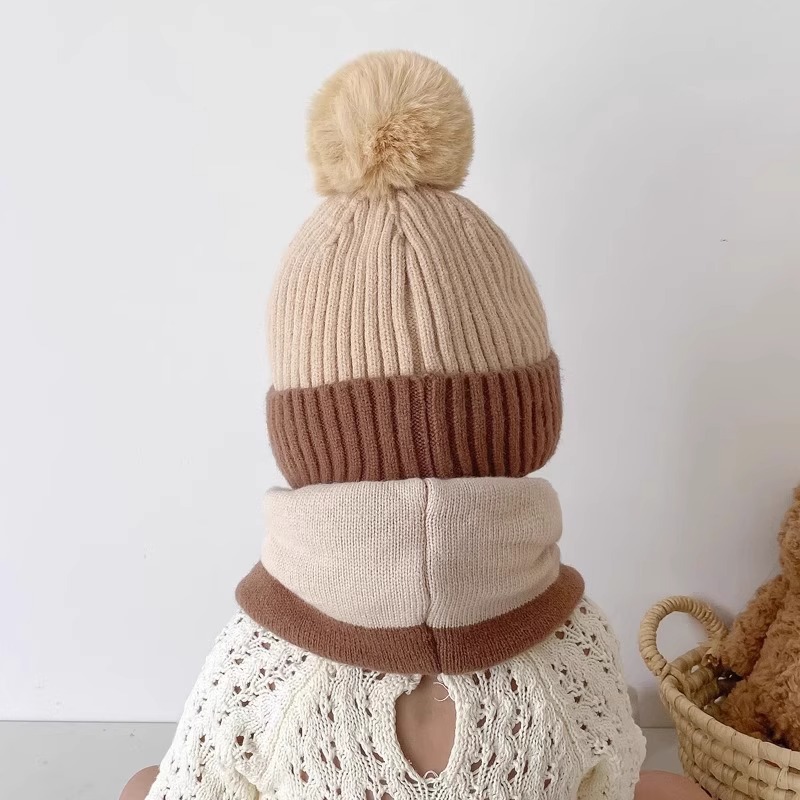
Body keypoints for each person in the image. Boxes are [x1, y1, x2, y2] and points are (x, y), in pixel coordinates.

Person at [121, 51, 697, 800]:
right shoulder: (575, 641)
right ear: (531, 419)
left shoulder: (259, 659)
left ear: (305, 437)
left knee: (141, 780)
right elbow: (611, 784)